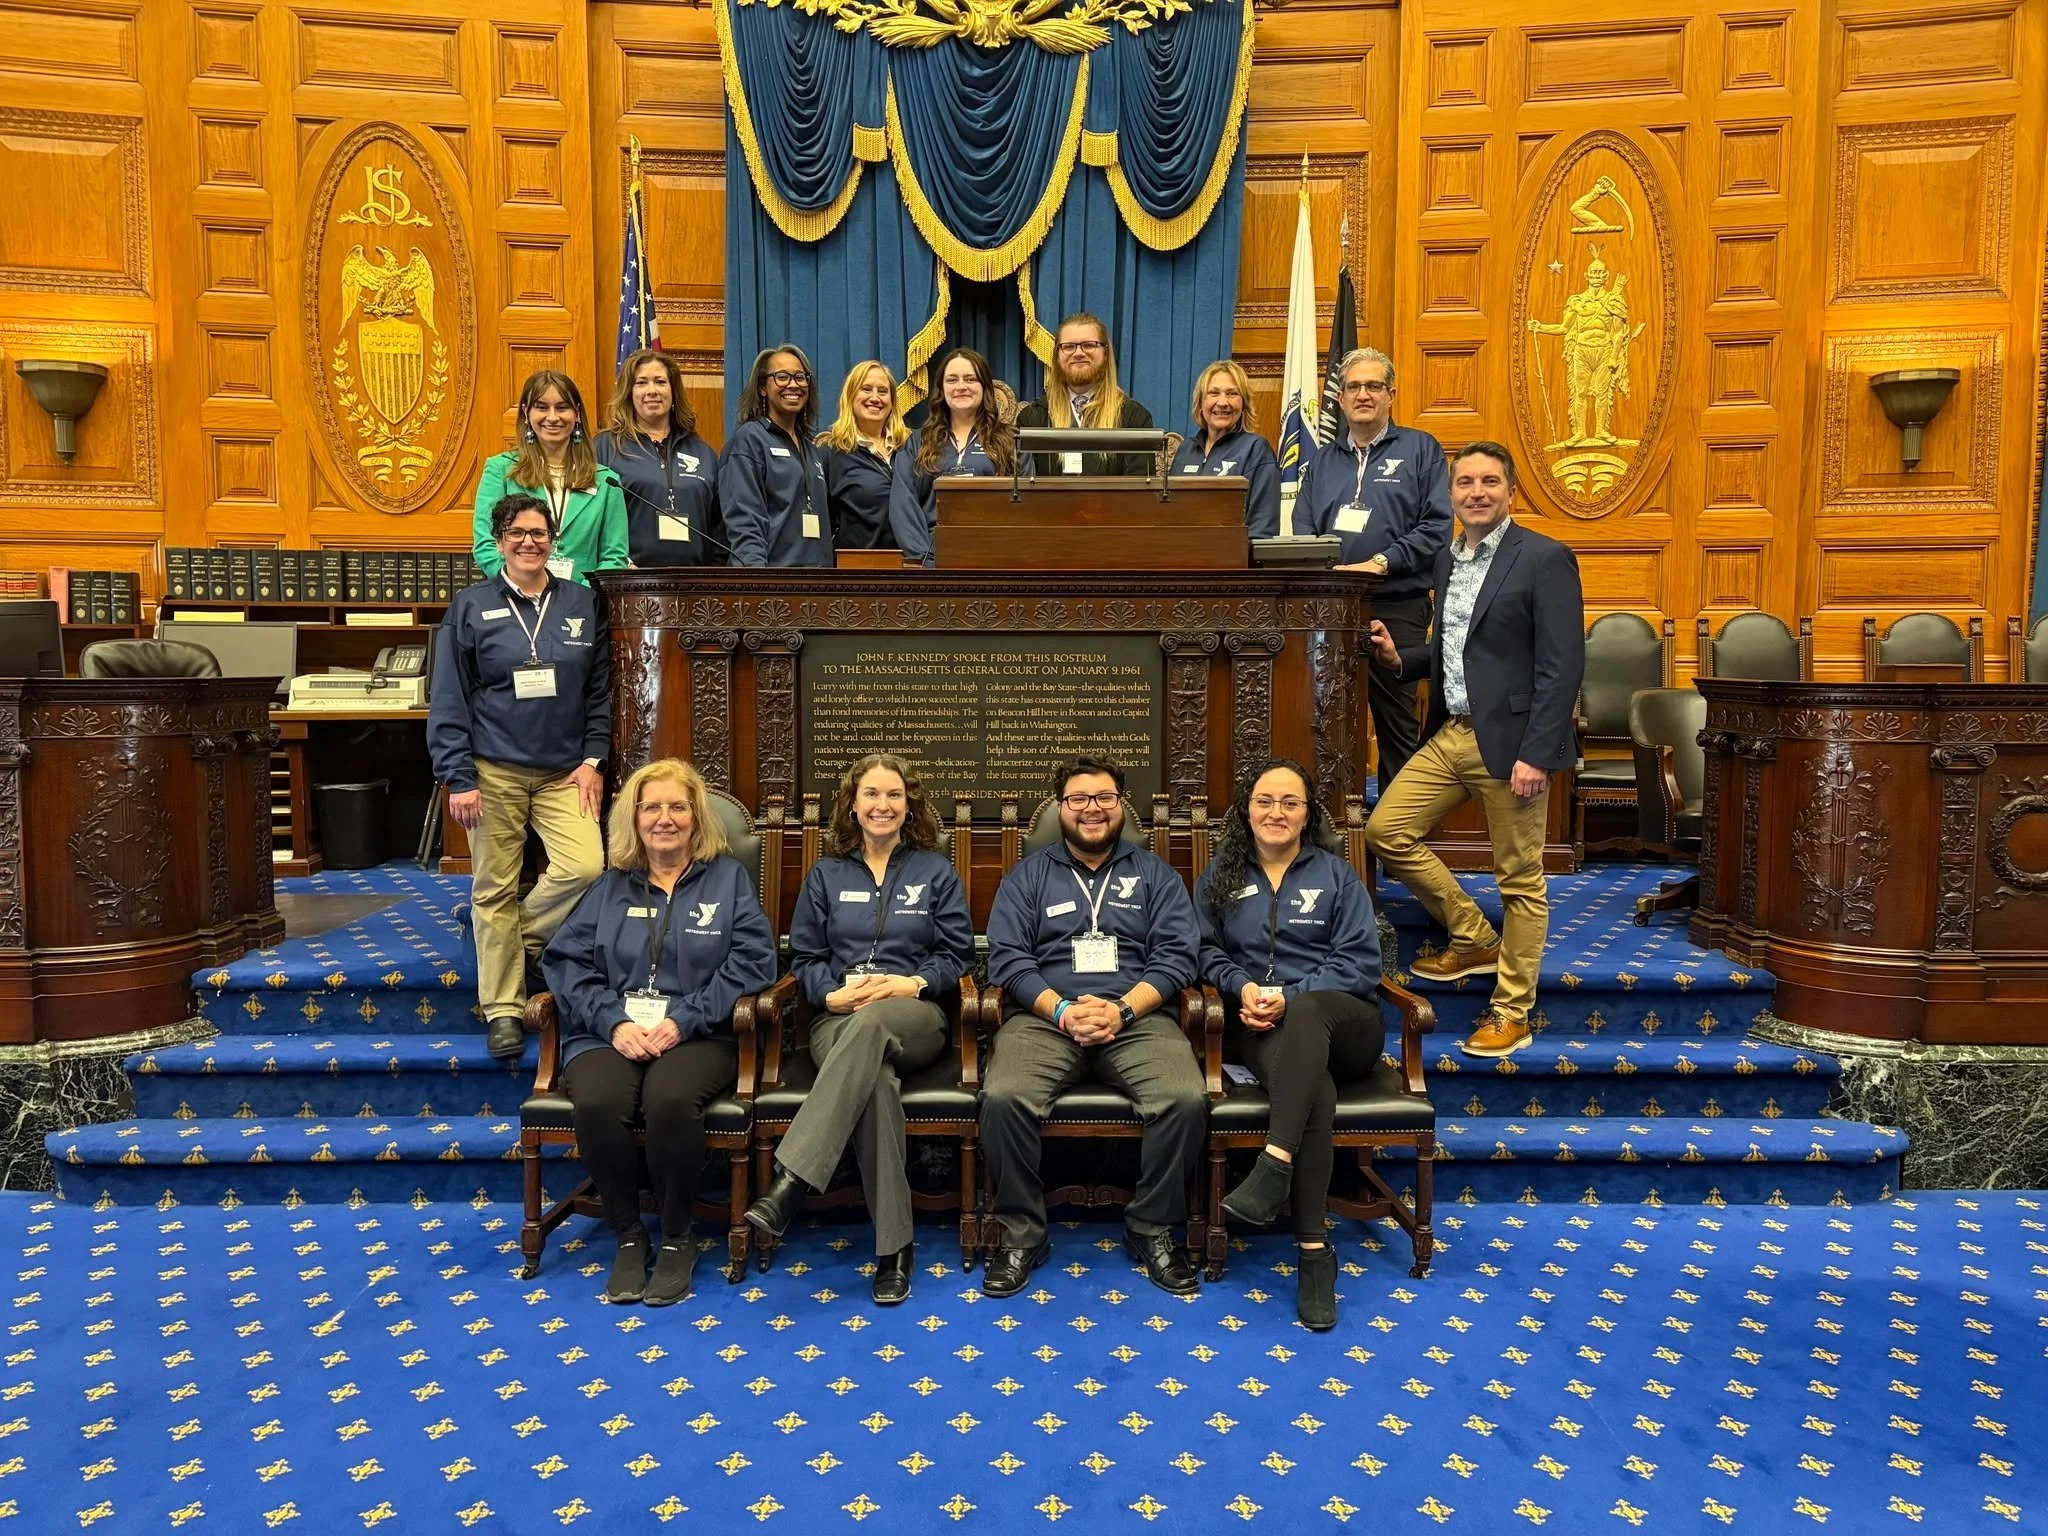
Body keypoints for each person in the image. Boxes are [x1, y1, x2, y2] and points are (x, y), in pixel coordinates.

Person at [1364, 442, 1584, 1061]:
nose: (1477, 493)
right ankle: (1471, 934)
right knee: (1385, 829)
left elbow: (1562, 666)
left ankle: (1511, 1010)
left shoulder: (1543, 558)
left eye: (1490, 482)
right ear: (1451, 494)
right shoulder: (1446, 559)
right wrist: (1398, 659)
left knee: (1521, 880)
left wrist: (1538, 753)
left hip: (1515, 744)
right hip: (1453, 732)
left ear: (1511, 491)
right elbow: (1453, 646)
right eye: (1465, 483)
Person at [543, 758, 777, 1306]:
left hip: (700, 1033)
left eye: (677, 807)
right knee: (599, 1101)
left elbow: (752, 963)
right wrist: (612, 1021)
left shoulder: (727, 879)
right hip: (609, 1033)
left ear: (696, 817)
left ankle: (677, 1237)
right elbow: (564, 961)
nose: (664, 818)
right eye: (652, 807)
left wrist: (683, 1020)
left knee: (670, 1099)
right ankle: (628, 1234)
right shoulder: (610, 885)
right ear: (635, 818)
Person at [744, 753, 974, 1303]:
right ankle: (894, 1249)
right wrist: (830, 993)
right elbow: (805, 952)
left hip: (915, 1018)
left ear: (908, 804)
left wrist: (908, 984)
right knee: (875, 1084)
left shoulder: (934, 871)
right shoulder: (827, 874)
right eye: (871, 794)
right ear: (853, 803)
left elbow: (957, 954)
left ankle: (793, 1179)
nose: (882, 805)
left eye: (893, 795)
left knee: (874, 1028)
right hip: (837, 1019)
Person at [980, 756, 1206, 1299]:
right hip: (1046, 1019)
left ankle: (1150, 1227)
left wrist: (1123, 1010)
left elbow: (1178, 957)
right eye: (1079, 799)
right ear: (1060, 807)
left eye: (1103, 798)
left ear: (1121, 806)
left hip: (1137, 1016)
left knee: (1185, 1098)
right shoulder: (1028, 876)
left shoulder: (1156, 875)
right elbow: (1007, 960)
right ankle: (1022, 1233)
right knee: (1004, 1096)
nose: (1092, 810)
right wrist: (1061, 1010)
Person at [1194, 759, 1383, 1331]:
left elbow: (1360, 961)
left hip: (1346, 1025)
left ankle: (1273, 1164)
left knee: (1307, 1010)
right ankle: (1313, 1255)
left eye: (1290, 803)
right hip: (1260, 1028)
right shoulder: (1221, 876)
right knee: (1314, 1097)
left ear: (1308, 814)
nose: (1276, 813)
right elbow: (1201, 950)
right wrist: (1243, 987)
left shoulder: (1336, 874)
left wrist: (1292, 992)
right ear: (1246, 811)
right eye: (1264, 801)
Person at [430, 494, 611, 1061]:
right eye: (517, 533)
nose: (529, 542)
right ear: (499, 539)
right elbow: (449, 697)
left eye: (539, 532)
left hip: (565, 771)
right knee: (493, 888)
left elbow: (601, 691)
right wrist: (458, 776)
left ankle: (515, 940)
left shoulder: (583, 602)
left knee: (588, 867)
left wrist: (593, 759)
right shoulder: (471, 606)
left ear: (553, 539)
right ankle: (504, 1010)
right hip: (493, 770)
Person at [1296, 348, 1453, 795]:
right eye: (1353, 387)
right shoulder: (1321, 463)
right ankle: (1332, 840)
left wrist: (1379, 563)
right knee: (1324, 728)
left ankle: (1397, 843)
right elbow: (1305, 534)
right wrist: (1331, 573)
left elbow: (1437, 529)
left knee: (1396, 729)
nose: (1363, 394)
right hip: (1329, 611)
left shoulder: (1421, 450)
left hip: (1396, 606)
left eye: (1373, 386)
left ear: (1391, 394)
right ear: (1340, 400)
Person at [471, 370, 628, 584]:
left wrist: (578, 595)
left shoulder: (606, 481)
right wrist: (525, 585)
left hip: (582, 603)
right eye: (542, 407)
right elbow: (486, 544)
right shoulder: (500, 470)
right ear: (526, 413)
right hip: (516, 599)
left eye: (562, 407)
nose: (552, 417)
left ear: (577, 414)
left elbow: (614, 557)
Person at [888, 347, 1016, 566]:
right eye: (952, 380)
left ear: (984, 386)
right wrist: (927, 562)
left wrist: (1002, 554)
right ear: (941, 388)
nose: (961, 387)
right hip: (932, 564)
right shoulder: (919, 442)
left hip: (995, 562)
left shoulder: (1010, 441)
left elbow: (1024, 505)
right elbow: (903, 506)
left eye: (970, 379)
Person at [597, 347, 724, 567]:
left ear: (673, 391)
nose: (652, 390)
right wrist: (618, 564)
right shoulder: (605, 447)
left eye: (660, 382)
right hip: (628, 581)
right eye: (642, 382)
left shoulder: (703, 452)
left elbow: (720, 526)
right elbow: (591, 518)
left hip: (695, 585)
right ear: (629, 393)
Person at [719, 345, 834, 568]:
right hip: (773, 585)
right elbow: (745, 522)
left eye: (800, 377)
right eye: (782, 377)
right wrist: (756, 583)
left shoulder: (811, 447)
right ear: (763, 387)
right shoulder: (750, 439)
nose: (793, 384)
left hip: (817, 585)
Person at [1016, 313, 1156, 476]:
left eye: (1089, 345)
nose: (1078, 353)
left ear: (1106, 353)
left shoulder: (1134, 419)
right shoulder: (1032, 419)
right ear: (1056, 356)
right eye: (1068, 346)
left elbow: (1140, 495)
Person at [1171, 360, 1281, 538]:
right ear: (1200, 402)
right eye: (1213, 393)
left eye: (1232, 394)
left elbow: (1262, 530)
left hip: (1230, 563)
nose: (1222, 402)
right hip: (1182, 559)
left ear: (1244, 403)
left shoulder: (1256, 450)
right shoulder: (1186, 449)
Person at [821, 361, 909, 552]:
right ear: (851, 396)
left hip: (914, 567)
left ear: (892, 400)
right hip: (858, 570)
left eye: (883, 391)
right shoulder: (830, 451)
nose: (875, 398)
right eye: (866, 389)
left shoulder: (910, 447)